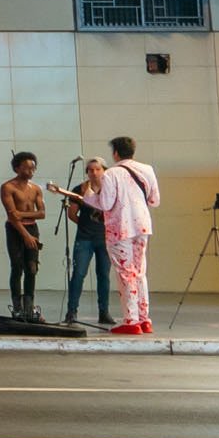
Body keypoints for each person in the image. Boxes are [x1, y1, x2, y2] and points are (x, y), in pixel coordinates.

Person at [98, 136, 162, 336]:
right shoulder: (147, 170)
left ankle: (131, 320)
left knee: (125, 273)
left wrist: (91, 196)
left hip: (120, 228)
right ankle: (144, 319)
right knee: (140, 272)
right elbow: (154, 201)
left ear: (115, 153)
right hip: (142, 226)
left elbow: (106, 204)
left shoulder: (111, 173)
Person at [54, 157, 114, 327]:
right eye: (90, 170)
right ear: (87, 172)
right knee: (78, 274)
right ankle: (71, 311)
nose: (94, 173)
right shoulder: (79, 189)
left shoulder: (110, 189)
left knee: (103, 275)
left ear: (104, 170)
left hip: (105, 238)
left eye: (97, 169)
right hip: (85, 238)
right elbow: (72, 214)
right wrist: (86, 225)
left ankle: (104, 312)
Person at [0, 152, 46, 317]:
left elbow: (42, 213)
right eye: (26, 167)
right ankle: (17, 307)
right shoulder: (8, 187)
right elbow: (12, 216)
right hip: (15, 230)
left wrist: (23, 214)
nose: (30, 171)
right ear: (17, 168)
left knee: (32, 268)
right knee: (17, 267)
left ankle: (29, 305)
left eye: (33, 167)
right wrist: (25, 235)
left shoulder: (36, 189)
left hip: (32, 228)